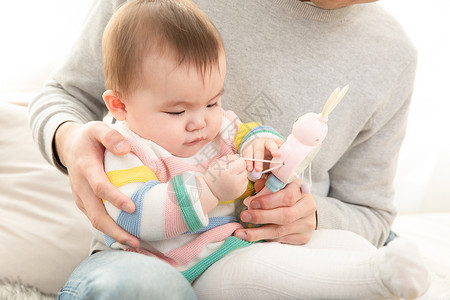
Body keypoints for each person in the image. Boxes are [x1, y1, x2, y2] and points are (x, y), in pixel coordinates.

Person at [28, 0, 429, 299]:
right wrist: (70, 142)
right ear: (119, 106)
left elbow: (370, 213)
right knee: (143, 288)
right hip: (157, 261)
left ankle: (378, 272)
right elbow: (137, 211)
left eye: (212, 103)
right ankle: (374, 279)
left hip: (250, 241)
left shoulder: (394, 54)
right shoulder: (128, 147)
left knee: (349, 249)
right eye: (176, 110)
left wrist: (263, 148)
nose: (201, 121)